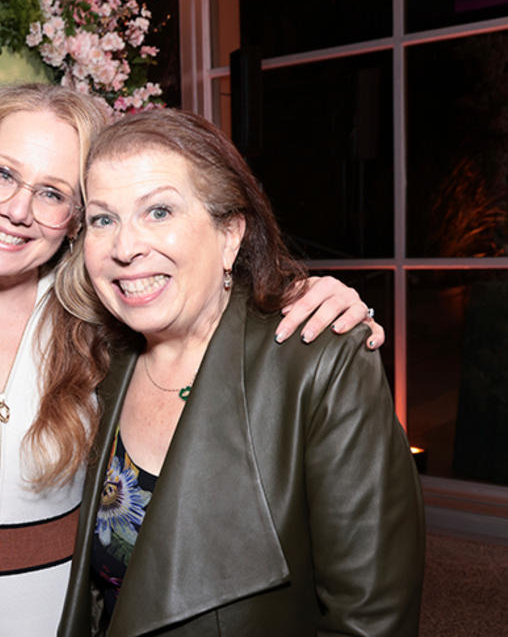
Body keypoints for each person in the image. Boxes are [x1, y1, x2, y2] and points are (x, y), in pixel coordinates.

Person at [0, 84, 383, 637]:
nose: (17, 209)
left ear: (75, 220)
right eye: (4, 174)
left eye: (53, 193)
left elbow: (212, 310)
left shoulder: (102, 321)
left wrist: (308, 296)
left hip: (60, 619)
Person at [54, 108, 424, 637]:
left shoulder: (319, 361)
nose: (125, 247)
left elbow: (370, 619)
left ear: (230, 234)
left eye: (158, 211)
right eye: (103, 219)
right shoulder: (95, 359)